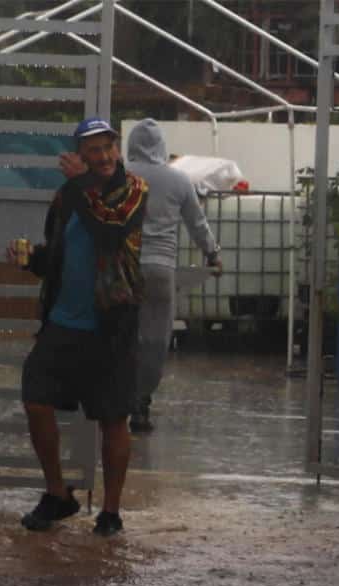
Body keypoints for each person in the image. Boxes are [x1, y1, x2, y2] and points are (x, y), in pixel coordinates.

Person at [8, 117, 149, 537]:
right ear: (80, 154)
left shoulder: (134, 189)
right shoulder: (68, 195)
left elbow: (111, 230)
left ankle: (110, 511)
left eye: (108, 148)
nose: (103, 157)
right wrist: (30, 258)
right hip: (62, 323)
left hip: (112, 323)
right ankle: (59, 495)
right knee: (35, 398)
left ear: (117, 150)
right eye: (93, 150)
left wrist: (83, 185)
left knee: (113, 418)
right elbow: (57, 252)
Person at [123, 119, 224, 435]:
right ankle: (141, 404)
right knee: (155, 339)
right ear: (162, 147)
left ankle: (115, 400)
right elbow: (198, 224)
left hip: (124, 268)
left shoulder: (120, 175)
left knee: (122, 334)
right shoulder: (178, 180)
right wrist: (213, 255)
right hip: (161, 269)